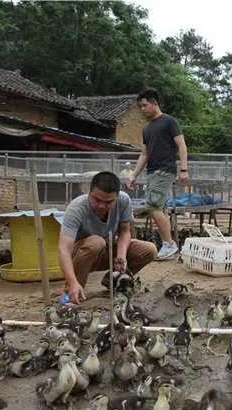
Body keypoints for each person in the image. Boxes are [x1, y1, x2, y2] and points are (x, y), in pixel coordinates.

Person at [58, 172, 157, 304]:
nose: (102, 206)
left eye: (109, 202)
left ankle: (113, 280)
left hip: (106, 249)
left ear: (116, 197)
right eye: (97, 200)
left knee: (149, 249)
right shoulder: (76, 208)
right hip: (81, 256)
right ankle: (72, 291)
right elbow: (64, 249)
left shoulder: (123, 200)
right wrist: (72, 282)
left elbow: (125, 231)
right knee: (96, 242)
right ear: (89, 192)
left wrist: (121, 255)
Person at [127, 88, 189, 260]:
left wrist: (183, 169)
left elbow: (182, 146)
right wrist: (133, 174)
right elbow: (144, 154)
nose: (142, 109)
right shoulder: (146, 129)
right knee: (160, 209)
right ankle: (168, 245)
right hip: (152, 171)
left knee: (152, 206)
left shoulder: (169, 122)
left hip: (165, 170)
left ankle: (169, 244)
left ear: (154, 103)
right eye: (140, 106)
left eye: (145, 105)